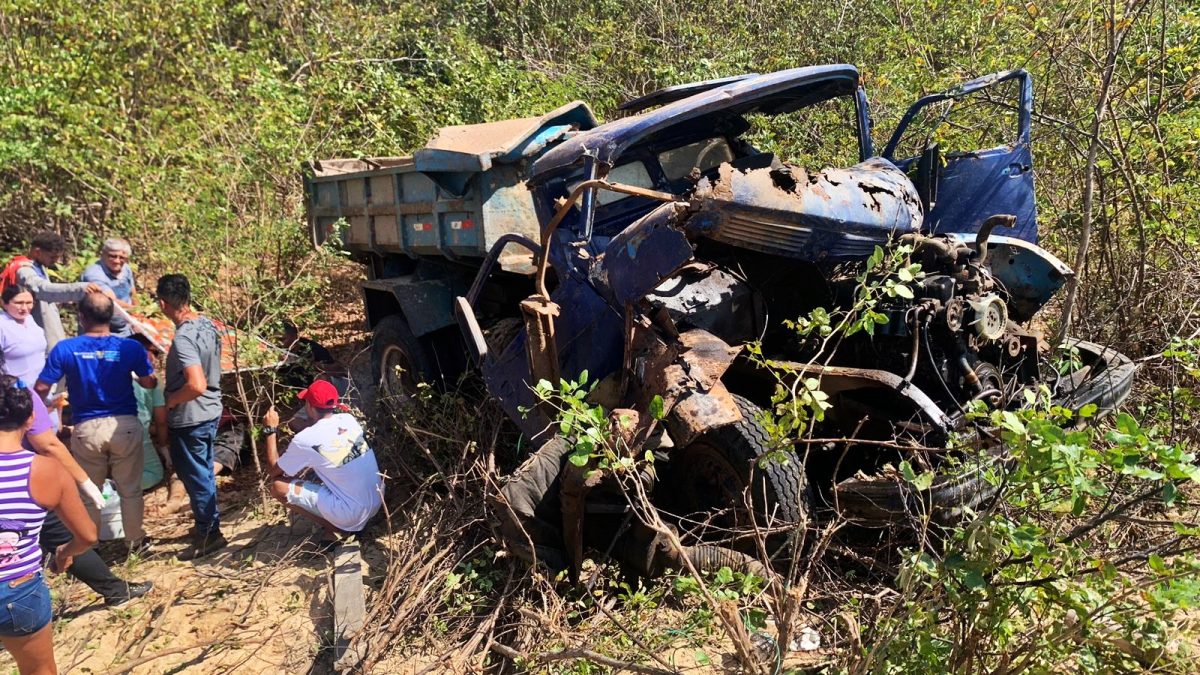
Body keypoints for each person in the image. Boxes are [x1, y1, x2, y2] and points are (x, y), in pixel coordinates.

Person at [34, 294, 156, 555]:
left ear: (81, 316)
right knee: (130, 490)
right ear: (111, 316)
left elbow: (41, 387)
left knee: (89, 490)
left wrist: (45, 408)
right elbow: (149, 383)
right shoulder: (130, 348)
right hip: (124, 424)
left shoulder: (65, 349)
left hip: (86, 428)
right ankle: (135, 542)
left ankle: (89, 546)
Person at [0, 374, 97, 675]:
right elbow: (88, 536)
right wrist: (65, 552)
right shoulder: (46, 471)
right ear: (31, 419)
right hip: (17, 592)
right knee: (38, 670)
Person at [24, 389, 151, 607]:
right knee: (64, 537)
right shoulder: (16, 391)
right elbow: (48, 445)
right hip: (23, 483)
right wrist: (84, 481)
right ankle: (116, 589)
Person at [262, 380, 383, 548]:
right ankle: (343, 522)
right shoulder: (348, 419)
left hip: (351, 514)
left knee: (278, 486)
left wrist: (270, 431)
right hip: (376, 502)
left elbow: (273, 471)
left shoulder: (304, 440)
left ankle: (336, 528)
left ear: (309, 407)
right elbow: (323, 431)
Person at [156, 274, 226, 559]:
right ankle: (207, 524)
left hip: (191, 417)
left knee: (195, 475)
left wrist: (172, 398)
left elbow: (196, 383)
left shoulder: (185, 336)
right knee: (203, 471)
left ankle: (210, 534)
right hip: (209, 411)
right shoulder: (208, 325)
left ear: (163, 303)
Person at [2, 231, 110, 351]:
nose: (56, 261)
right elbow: (44, 290)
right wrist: (80, 288)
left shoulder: (39, 266)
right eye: (52, 257)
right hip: (37, 338)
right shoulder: (25, 271)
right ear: (37, 252)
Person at [79, 238, 137, 337]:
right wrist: (136, 310)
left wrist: (138, 317)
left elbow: (132, 292)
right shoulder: (94, 274)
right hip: (100, 330)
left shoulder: (126, 269)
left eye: (122, 258)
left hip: (125, 327)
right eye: (112, 256)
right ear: (103, 254)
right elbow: (111, 301)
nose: (117, 261)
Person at [0, 287, 46, 391]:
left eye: (29, 302)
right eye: (19, 303)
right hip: (15, 394)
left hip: (40, 389)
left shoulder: (29, 319)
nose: (24, 308)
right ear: (4, 303)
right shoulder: (2, 325)